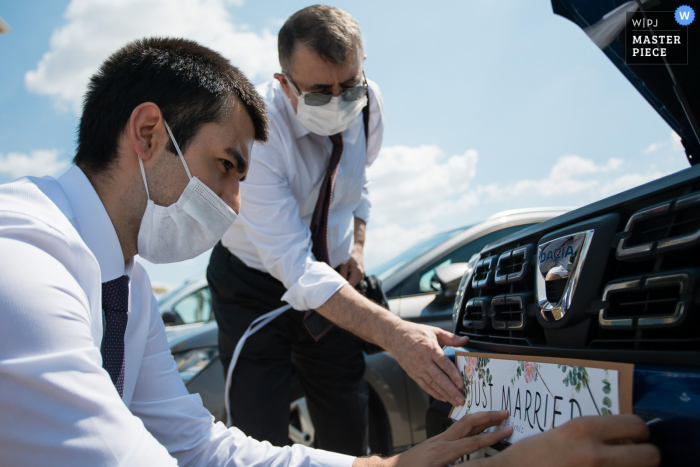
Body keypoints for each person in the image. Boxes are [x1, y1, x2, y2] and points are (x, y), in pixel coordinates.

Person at [0, 35, 660, 467]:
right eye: (227, 166)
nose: (234, 202)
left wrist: (391, 464)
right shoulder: (24, 259)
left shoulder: (129, 285)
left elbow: (199, 447)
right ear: (149, 133)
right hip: (267, 286)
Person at [209, 5, 469, 455]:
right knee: (257, 438)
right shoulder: (253, 133)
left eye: (349, 85)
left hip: (335, 284)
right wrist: (395, 334)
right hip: (255, 287)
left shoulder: (369, 106)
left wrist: (359, 248)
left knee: (349, 425)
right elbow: (294, 266)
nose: (339, 101)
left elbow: (357, 183)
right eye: (319, 91)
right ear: (284, 85)